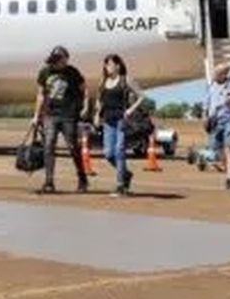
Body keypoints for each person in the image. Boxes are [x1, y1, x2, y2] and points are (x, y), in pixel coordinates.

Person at [31, 45, 89, 195]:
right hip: (50, 114)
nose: (55, 63)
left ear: (66, 59)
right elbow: (40, 94)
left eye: (58, 60)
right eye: (53, 60)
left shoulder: (73, 73)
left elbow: (84, 89)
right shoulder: (45, 72)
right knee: (49, 146)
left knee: (72, 147)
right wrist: (36, 115)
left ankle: (82, 179)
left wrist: (83, 107)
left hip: (68, 115)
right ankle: (49, 182)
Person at [93, 54, 146, 196]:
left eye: (110, 64)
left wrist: (130, 110)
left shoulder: (125, 80)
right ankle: (126, 174)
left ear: (118, 65)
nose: (107, 67)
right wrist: (97, 115)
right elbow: (99, 101)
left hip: (121, 120)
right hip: (108, 121)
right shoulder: (103, 82)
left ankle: (121, 185)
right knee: (108, 153)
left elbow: (141, 96)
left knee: (119, 151)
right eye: (106, 64)